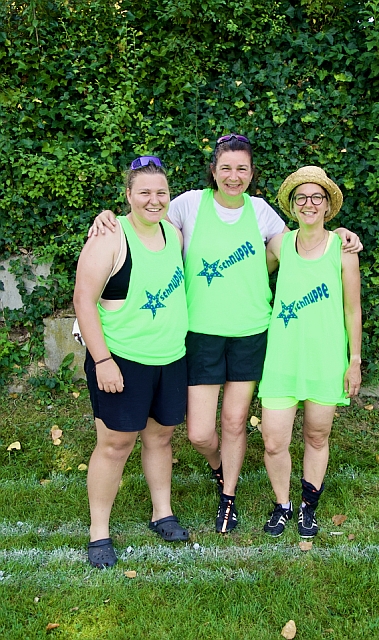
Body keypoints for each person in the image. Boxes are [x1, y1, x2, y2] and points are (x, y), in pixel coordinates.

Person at [90, 135, 362, 534]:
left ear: (251, 173)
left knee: (234, 422)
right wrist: (108, 216)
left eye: (242, 169)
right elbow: (145, 221)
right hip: (200, 334)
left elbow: (303, 244)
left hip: (251, 333)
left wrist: (341, 234)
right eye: (226, 168)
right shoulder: (187, 205)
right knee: (200, 433)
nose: (234, 176)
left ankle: (228, 497)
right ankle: (218, 466)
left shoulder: (262, 212)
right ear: (213, 171)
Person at [73, 156, 189, 568]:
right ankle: (99, 532)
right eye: (144, 193)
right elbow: (83, 301)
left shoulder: (174, 234)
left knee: (160, 438)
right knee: (115, 444)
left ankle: (162, 513)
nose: (153, 200)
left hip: (170, 357)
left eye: (161, 192)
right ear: (128, 195)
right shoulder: (110, 237)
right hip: (122, 360)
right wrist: (102, 359)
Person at [259, 165, 362, 539]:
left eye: (316, 197)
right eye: (301, 197)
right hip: (282, 358)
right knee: (274, 441)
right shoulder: (279, 245)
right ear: (292, 205)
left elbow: (353, 310)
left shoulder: (343, 250)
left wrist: (354, 360)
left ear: (327, 205)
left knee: (317, 437)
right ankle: (282, 505)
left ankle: (308, 507)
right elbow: (253, 277)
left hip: (325, 359)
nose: (308, 203)